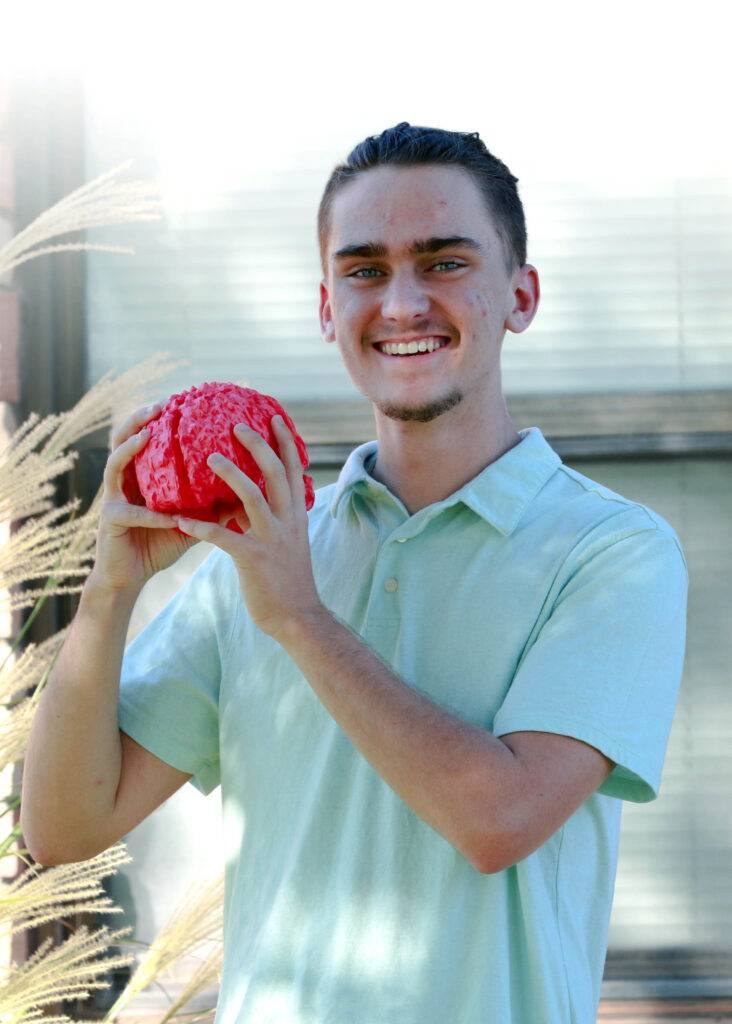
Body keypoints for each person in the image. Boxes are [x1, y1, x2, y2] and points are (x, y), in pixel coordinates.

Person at [21, 123, 689, 1024]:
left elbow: (500, 821)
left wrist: (301, 616)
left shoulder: (611, 552)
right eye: (365, 269)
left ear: (521, 296)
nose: (403, 302)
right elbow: (63, 830)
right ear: (329, 309)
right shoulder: (258, 550)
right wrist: (109, 594)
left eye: (445, 261)